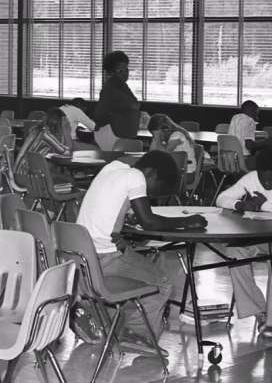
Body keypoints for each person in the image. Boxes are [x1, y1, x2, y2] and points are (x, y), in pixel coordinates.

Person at [76, 151, 207, 344]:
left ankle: (99, 319)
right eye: (153, 189)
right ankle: (136, 335)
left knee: (139, 268)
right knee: (161, 284)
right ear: (151, 174)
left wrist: (124, 222)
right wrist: (188, 221)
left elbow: (107, 211)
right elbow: (149, 222)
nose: (149, 195)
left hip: (81, 255)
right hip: (104, 258)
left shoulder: (111, 168)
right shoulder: (136, 176)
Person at [216, 148, 272, 337]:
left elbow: (266, 205)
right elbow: (221, 198)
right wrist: (240, 204)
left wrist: (262, 205)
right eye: (264, 179)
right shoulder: (251, 178)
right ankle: (260, 312)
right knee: (235, 254)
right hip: (260, 237)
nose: (267, 183)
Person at [93, 51, 140, 150]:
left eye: (126, 69)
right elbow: (99, 114)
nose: (125, 73)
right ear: (111, 72)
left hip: (122, 133)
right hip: (111, 133)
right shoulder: (110, 88)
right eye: (120, 71)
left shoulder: (123, 86)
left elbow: (134, 105)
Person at [13, 106, 72, 176]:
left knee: (58, 173)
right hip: (28, 176)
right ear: (58, 122)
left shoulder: (40, 130)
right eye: (64, 121)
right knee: (68, 179)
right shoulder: (46, 135)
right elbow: (66, 153)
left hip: (20, 172)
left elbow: (62, 146)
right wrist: (66, 131)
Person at [147, 114, 197, 180]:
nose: (159, 136)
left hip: (186, 172)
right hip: (177, 170)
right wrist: (155, 138)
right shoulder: (166, 139)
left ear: (165, 129)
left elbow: (165, 154)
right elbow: (151, 154)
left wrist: (157, 138)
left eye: (158, 133)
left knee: (153, 178)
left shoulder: (177, 135)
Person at [229, 100, 269, 167]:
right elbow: (249, 145)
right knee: (266, 158)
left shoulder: (235, 118)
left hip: (229, 159)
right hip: (243, 160)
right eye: (257, 112)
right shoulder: (250, 121)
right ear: (252, 111)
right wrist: (266, 142)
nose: (257, 116)